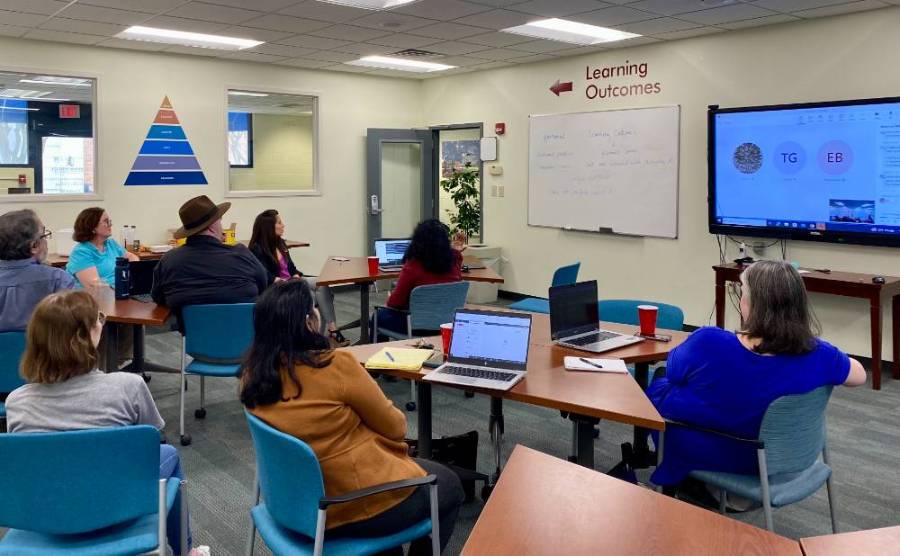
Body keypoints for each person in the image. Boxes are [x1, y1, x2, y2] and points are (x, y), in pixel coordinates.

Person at [241, 280, 464, 554]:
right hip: (345, 505)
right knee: (449, 485)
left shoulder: (253, 376)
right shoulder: (336, 366)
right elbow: (396, 427)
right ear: (310, 321)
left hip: (292, 501)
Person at [4, 291, 205, 556]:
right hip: (116, 505)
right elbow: (153, 441)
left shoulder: (16, 402)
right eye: (98, 319)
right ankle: (185, 551)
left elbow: (25, 463)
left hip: (46, 513)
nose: (102, 322)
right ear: (86, 335)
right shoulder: (128, 386)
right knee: (169, 454)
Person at [647, 260, 867, 488]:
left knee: (661, 384)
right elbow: (859, 376)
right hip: (779, 455)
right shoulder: (821, 354)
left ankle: (694, 485)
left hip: (721, 450)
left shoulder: (709, 342)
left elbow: (674, 373)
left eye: (741, 293)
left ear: (753, 304)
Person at [152, 195, 267, 323]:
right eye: (220, 221)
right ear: (212, 227)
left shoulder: (169, 260)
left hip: (197, 339)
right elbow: (263, 284)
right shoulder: (242, 254)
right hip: (248, 336)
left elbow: (159, 298)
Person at [248, 209, 348, 347]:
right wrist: (277, 279)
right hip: (278, 288)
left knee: (322, 283)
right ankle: (311, 337)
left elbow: (291, 267)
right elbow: (261, 274)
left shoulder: (280, 243)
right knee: (312, 295)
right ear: (268, 227)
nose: (283, 225)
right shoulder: (257, 248)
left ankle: (332, 329)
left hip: (292, 282)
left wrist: (295, 275)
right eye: (279, 222)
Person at [372, 219, 466, 340]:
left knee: (377, 317)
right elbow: (456, 261)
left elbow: (394, 303)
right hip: (447, 324)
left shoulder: (413, 266)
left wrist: (391, 295)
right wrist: (455, 250)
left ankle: (380, 355)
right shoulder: (453, 263)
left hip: (415, 326)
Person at [0, 209, 74, 332]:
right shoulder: (59, 280)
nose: (46, 240)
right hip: (42, 350)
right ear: (34, 246)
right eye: (44, 235)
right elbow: (68, 329)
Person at [66, 207, 138, 288]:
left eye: (109, 221)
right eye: (106, 221)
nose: (110, 225)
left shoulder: (111, 244)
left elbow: (131, 257)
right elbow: (95, 286)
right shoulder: (81, 252)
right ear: (93, 227)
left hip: (120, 291)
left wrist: (136, 272)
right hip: (97, 297)